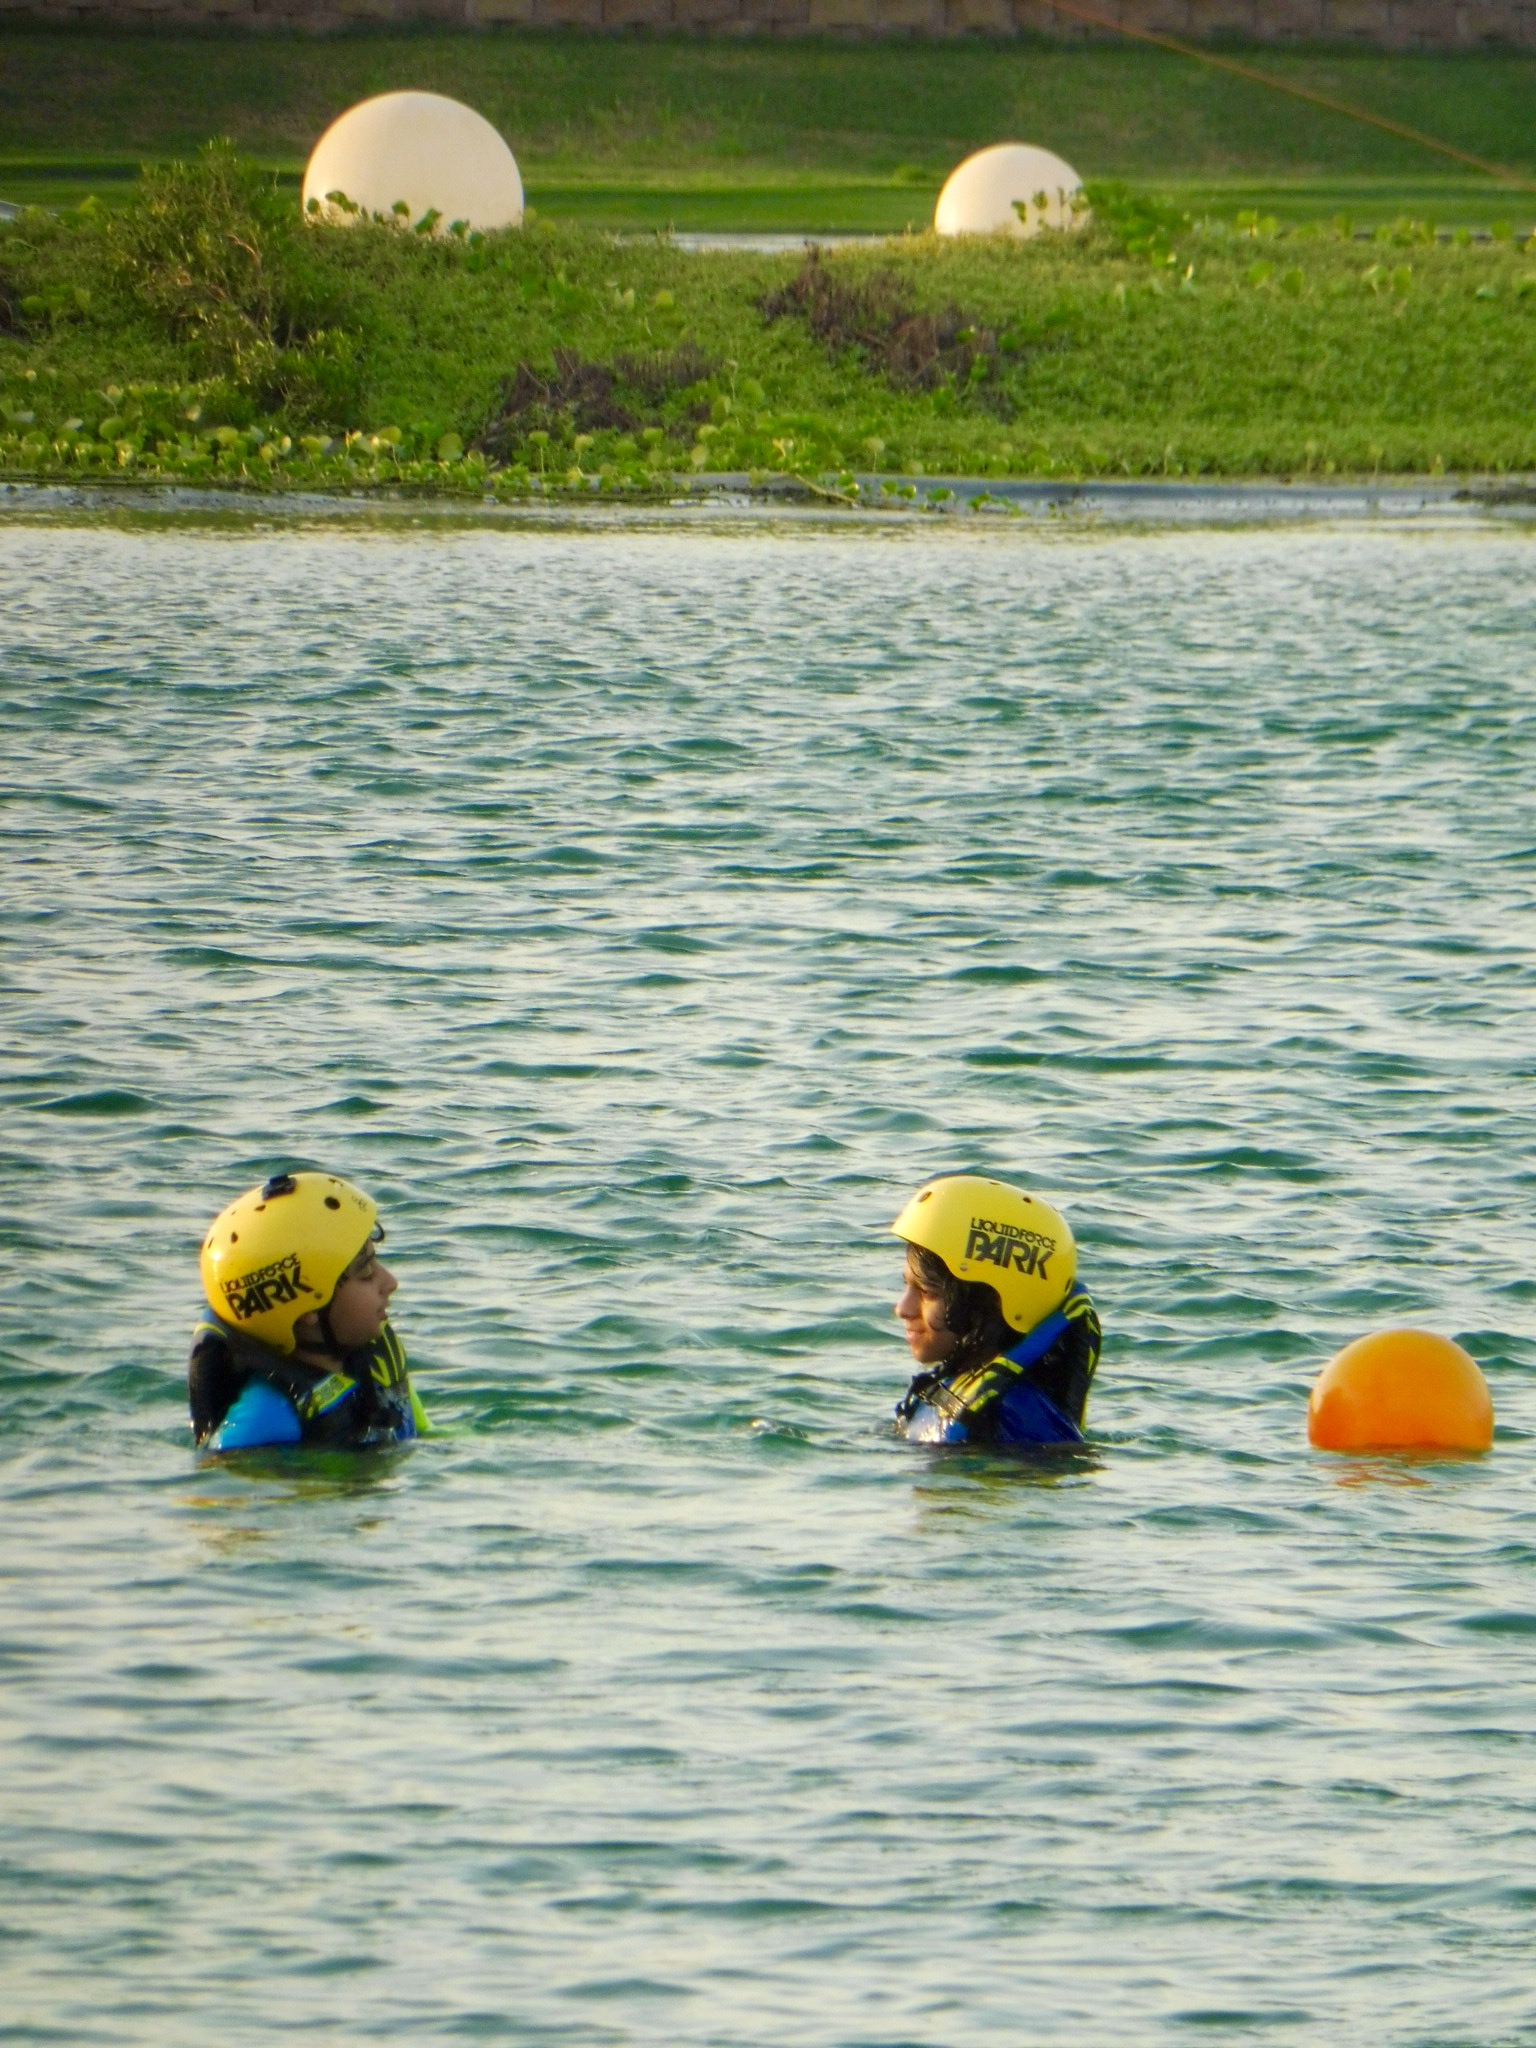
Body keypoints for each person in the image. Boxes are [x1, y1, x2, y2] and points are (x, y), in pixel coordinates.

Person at [188, 1170, 429, 1451]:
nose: (390, 1282)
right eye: (365, 1274)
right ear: (306, 1311)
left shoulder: (376, 1357)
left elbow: (424, 1436)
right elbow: (224, 1482)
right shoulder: (266, 1417)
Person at [891, 1173, 1100, 1449]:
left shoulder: (1016, 1417)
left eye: (927, 1293)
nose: (902, 1309)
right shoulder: (967, 1393)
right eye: (906, 1285)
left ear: (989, 1306)